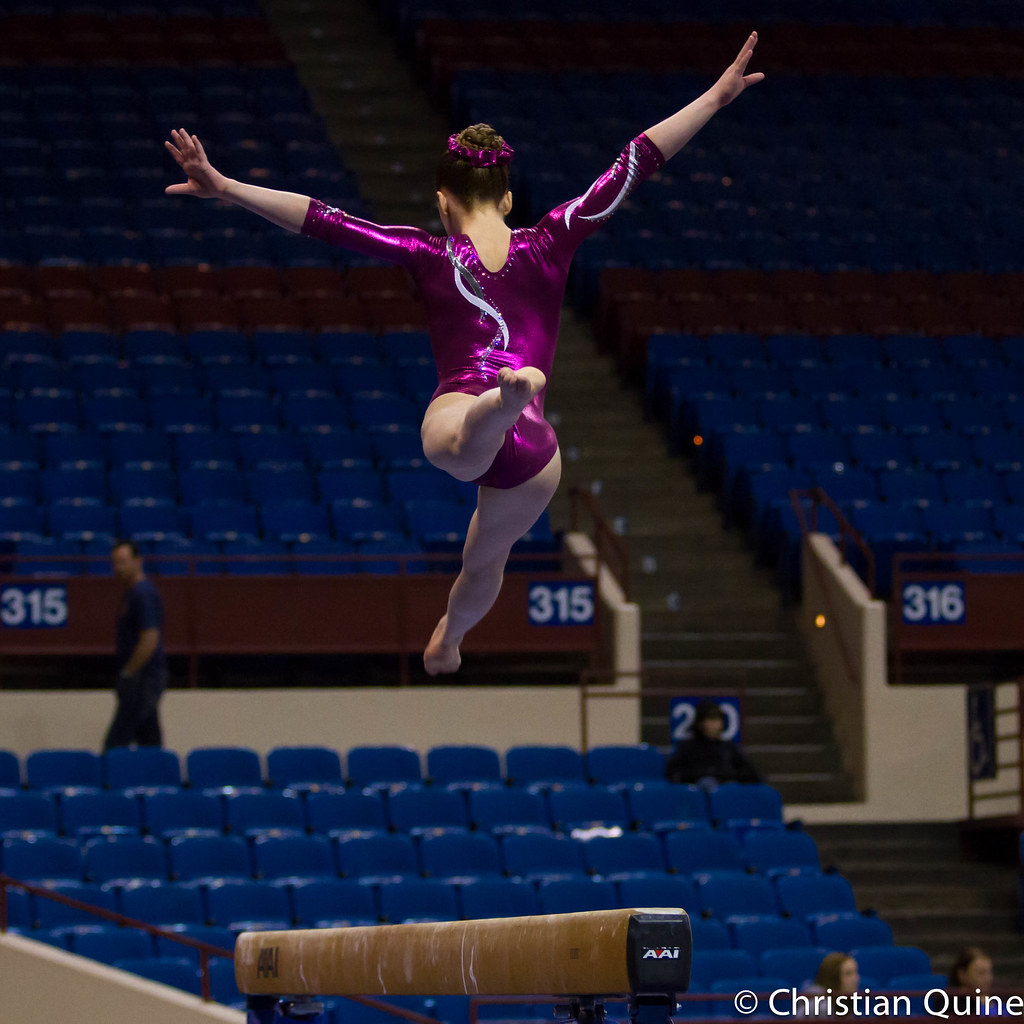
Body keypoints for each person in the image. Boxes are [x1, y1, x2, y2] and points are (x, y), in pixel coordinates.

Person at [163, 33, 764, 675]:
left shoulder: (429, 253)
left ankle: (495, 407)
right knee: (486, 558)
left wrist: (226, 186)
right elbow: (633, 163)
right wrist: (714, 97)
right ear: (506, 200)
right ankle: (450, 636)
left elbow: (324, 219)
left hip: (468, 409)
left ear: (442, 202)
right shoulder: (551, 239)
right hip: (537, 458)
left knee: (448, 450)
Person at [103, 539, 168, 751]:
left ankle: (108, 780)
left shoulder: (143, 594)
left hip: (143, 679)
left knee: (116, 743)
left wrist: (128, 673)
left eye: (122, 561)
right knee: (149, 738)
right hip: (141, 678)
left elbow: (149, 639)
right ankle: (157, 777)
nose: (117, 568)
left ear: (137, 561)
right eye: (114, 563)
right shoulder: (132, 594)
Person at [665, 698, 761, 784]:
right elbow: (674, 774)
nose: (715, 724)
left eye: (718, 719)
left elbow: (751, 775)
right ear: (700, 722)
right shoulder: (686, 748)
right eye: (710, 719)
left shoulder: (729, 748)